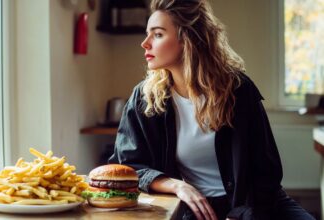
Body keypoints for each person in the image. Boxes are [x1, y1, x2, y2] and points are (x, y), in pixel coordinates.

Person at [108, 0, 315, 220]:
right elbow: (126, 166)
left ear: (186, 39)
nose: (145, 43)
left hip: (256, 205)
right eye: (147, 33)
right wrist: (176, 186)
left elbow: (267, 173)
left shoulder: (238, 90)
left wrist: (240, 215)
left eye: (157, 34)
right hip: (198, 208)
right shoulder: (145, 98)